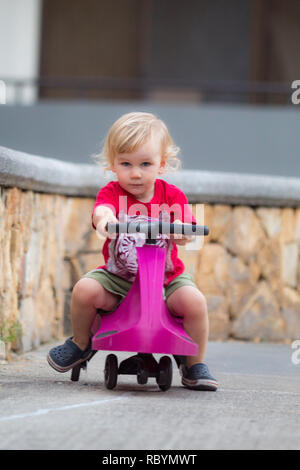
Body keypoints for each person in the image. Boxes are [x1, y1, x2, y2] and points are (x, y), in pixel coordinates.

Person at [47, 112, 218, 391]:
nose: (135, 173)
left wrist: (182, 230)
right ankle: (81, 343)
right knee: (84, 290)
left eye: (145, 164)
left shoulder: (172, 196)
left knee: (195, 303)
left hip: (166, 277)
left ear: (162, 165)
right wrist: (106, 221)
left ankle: (193, 363)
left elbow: (187, 226)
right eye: (126, 163)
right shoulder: (112, 193)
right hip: (119, 278)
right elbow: (102, 212)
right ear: (113, 164)